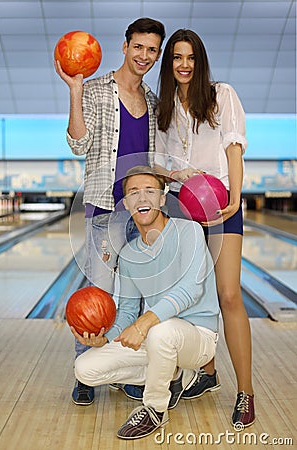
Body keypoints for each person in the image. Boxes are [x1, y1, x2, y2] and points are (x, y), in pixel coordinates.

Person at [54, 18, 166, 405]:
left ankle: (129, 371)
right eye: (139, 47)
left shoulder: (153, 102)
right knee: (97, 296)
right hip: (104, 209)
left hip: (143, 214)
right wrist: (74, 90)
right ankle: (86, 372)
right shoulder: (97, 88)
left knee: (137, 299)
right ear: (125, 46)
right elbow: (78, 143)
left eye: (152, 50)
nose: (145, 56)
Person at [71, 166, 220, 440]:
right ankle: (171, 372)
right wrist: (104, 339)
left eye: (150, 191)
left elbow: (190, 290)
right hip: (156, 338)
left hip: (198, 338)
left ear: (162, 198)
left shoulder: (189, 231)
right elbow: (127, 312)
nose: (143, 198)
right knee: (85, 369)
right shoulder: (128, 255)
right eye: (134, 193)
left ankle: (154, 409)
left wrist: (144, 324)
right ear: (125, 204)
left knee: (161, 331)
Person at [153, 29, 255, 428]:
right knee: (193, 296)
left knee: (228, 294)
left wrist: (235, 197)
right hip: (181, 206)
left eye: (190, 57)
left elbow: (233, 146)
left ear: (200, 61)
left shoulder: (222, 94)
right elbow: (158, 162)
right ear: (169, 63)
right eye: (177, 57)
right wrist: (172, 171)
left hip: (220, 203)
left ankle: (245, 392)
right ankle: (207, 373)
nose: (183, 65)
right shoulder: (163, 109)